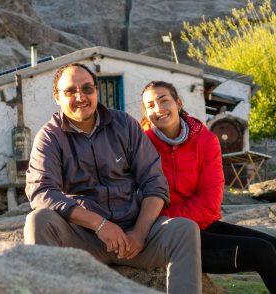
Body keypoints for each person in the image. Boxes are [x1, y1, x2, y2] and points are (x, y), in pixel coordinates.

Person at [23, 64, 202, 294]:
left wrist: (139, 233)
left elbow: (154, 182)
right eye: (70, 91)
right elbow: (41, 192)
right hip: (83, 239)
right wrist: (99, 224)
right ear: (57, 97)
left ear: (97, 91)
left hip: (135, 236)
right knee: (39, 220)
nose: (80, 97)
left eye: (87, 88)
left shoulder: (125, 124)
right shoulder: (49, 137)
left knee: (184, 229)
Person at [140, 81, 276, 294]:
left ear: (178, 103)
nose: (159, 109)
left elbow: (210, 203)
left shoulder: (205, 140)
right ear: (146, 112)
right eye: (151, 105)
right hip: (170, 235)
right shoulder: (141, 145)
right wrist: (166, 222)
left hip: (201, 224)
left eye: (164, 101)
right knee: (261, 251)